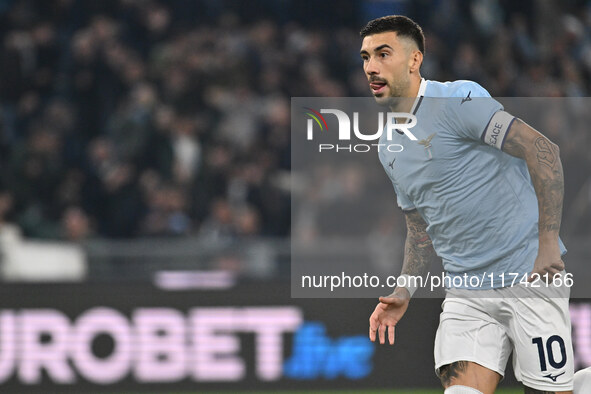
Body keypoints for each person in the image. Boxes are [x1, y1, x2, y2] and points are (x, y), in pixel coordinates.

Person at [361, 15, 573, 394]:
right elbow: (419, 228)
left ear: (414, 60)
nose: (371, 67)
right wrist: (405, 288)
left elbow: (543, 152)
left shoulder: (456, 99)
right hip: (466, 291)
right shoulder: (387, 146)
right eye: (365, 57)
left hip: (529, 274)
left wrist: (547, 243)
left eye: (383, 53)